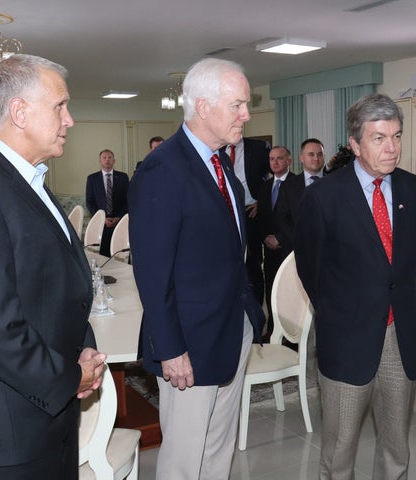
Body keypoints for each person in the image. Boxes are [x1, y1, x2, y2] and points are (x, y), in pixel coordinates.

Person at [0, 54, 106, 480]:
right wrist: (69, 377)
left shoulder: (28, 180)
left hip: (44, 410)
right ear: (20, 112)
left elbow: (54, 287)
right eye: (60, 106)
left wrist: (82, 348)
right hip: (10, 426)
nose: (70, 119)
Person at [128, 58, 264, 480]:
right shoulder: (161, 170)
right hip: (189, 340)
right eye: (238, 105)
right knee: (186, 458)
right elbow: (152, 272)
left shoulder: (221, 163)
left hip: (232, 326)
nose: (246, 114)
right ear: (203, 107)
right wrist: (169, 348)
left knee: (219, 446)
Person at [295, 93, 416, 480]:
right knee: (339, 453)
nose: (392, 148)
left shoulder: (415, 190)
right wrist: (341, 312)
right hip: (347, 336)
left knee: (396, 448)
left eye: (397, 136)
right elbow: (311, 269)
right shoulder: (323, 196)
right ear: (355, 144)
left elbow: (405, 266)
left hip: (400, 333)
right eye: (379, 138)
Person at [220, 137, 271, 305]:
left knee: (253, 262)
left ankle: (256, 307)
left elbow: (273, 177)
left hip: (251, 212)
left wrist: (261, 202)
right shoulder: (218, 150)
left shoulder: (258, 147)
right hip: (226, 215)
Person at [255, 145, 294, 339]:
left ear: (289, 161)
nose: (275, 162)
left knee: (290, 293)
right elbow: (260, 218)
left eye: (279, 158)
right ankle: (273, 330)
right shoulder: (264, 187)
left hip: (290, 251)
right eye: (271, 159)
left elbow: (300, 219)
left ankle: (291, 334)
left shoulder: (298, 184)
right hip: (269, 251)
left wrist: (281, 238)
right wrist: (266, 237)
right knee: (271, 291)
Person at [273, 138, 326, 254]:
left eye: (320, 154)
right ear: (301, 158)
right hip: (297, 250)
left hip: (329, 250)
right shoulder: (288, 186)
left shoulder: (334, 183)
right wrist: (298, 240)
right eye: (311, 155)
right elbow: (282, 218)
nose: (316, 158)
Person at [85, 149, 130, 256]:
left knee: (120, 253)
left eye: (110, 158)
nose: (107, 160)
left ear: (114, 161)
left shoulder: (123, 177)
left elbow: (128, 200)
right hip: (101, 222)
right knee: (102, 254)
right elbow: (89, 201)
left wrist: (119, 217)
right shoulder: (92, 178)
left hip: (119, 221)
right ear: (100, 161)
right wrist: (101, 218)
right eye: (104, 158)